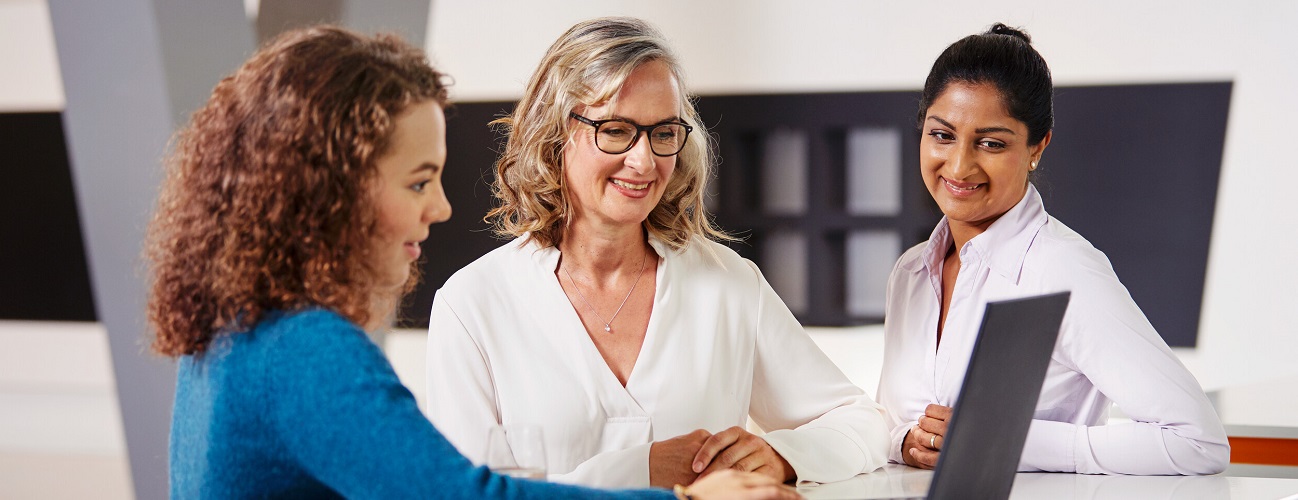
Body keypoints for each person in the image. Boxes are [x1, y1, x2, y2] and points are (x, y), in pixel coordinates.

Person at [146, 25, 798, 500]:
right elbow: (463, 496)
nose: (439, 206)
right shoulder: (305, 348)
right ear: (333, 188)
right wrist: (680, 497)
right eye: (418, 181)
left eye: (662, 134)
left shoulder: (240, 329)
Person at [424, 16, 890, 490]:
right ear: (555, 133)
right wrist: (638, 470)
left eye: (664, 132)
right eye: (615, 130)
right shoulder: (473, 305)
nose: (644, 161)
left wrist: (782, 455)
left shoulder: (727, 281)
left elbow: (861, 421)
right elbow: (459, 491)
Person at [875, 23, 1230, 475]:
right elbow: (890, 420)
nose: (959, 165)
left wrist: (1001, 439)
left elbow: (1198, 442)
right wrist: (906, 441)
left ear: (1036, 147)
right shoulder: (909, 273)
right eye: (942, 135)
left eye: (991, 143)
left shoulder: (1064, 269)